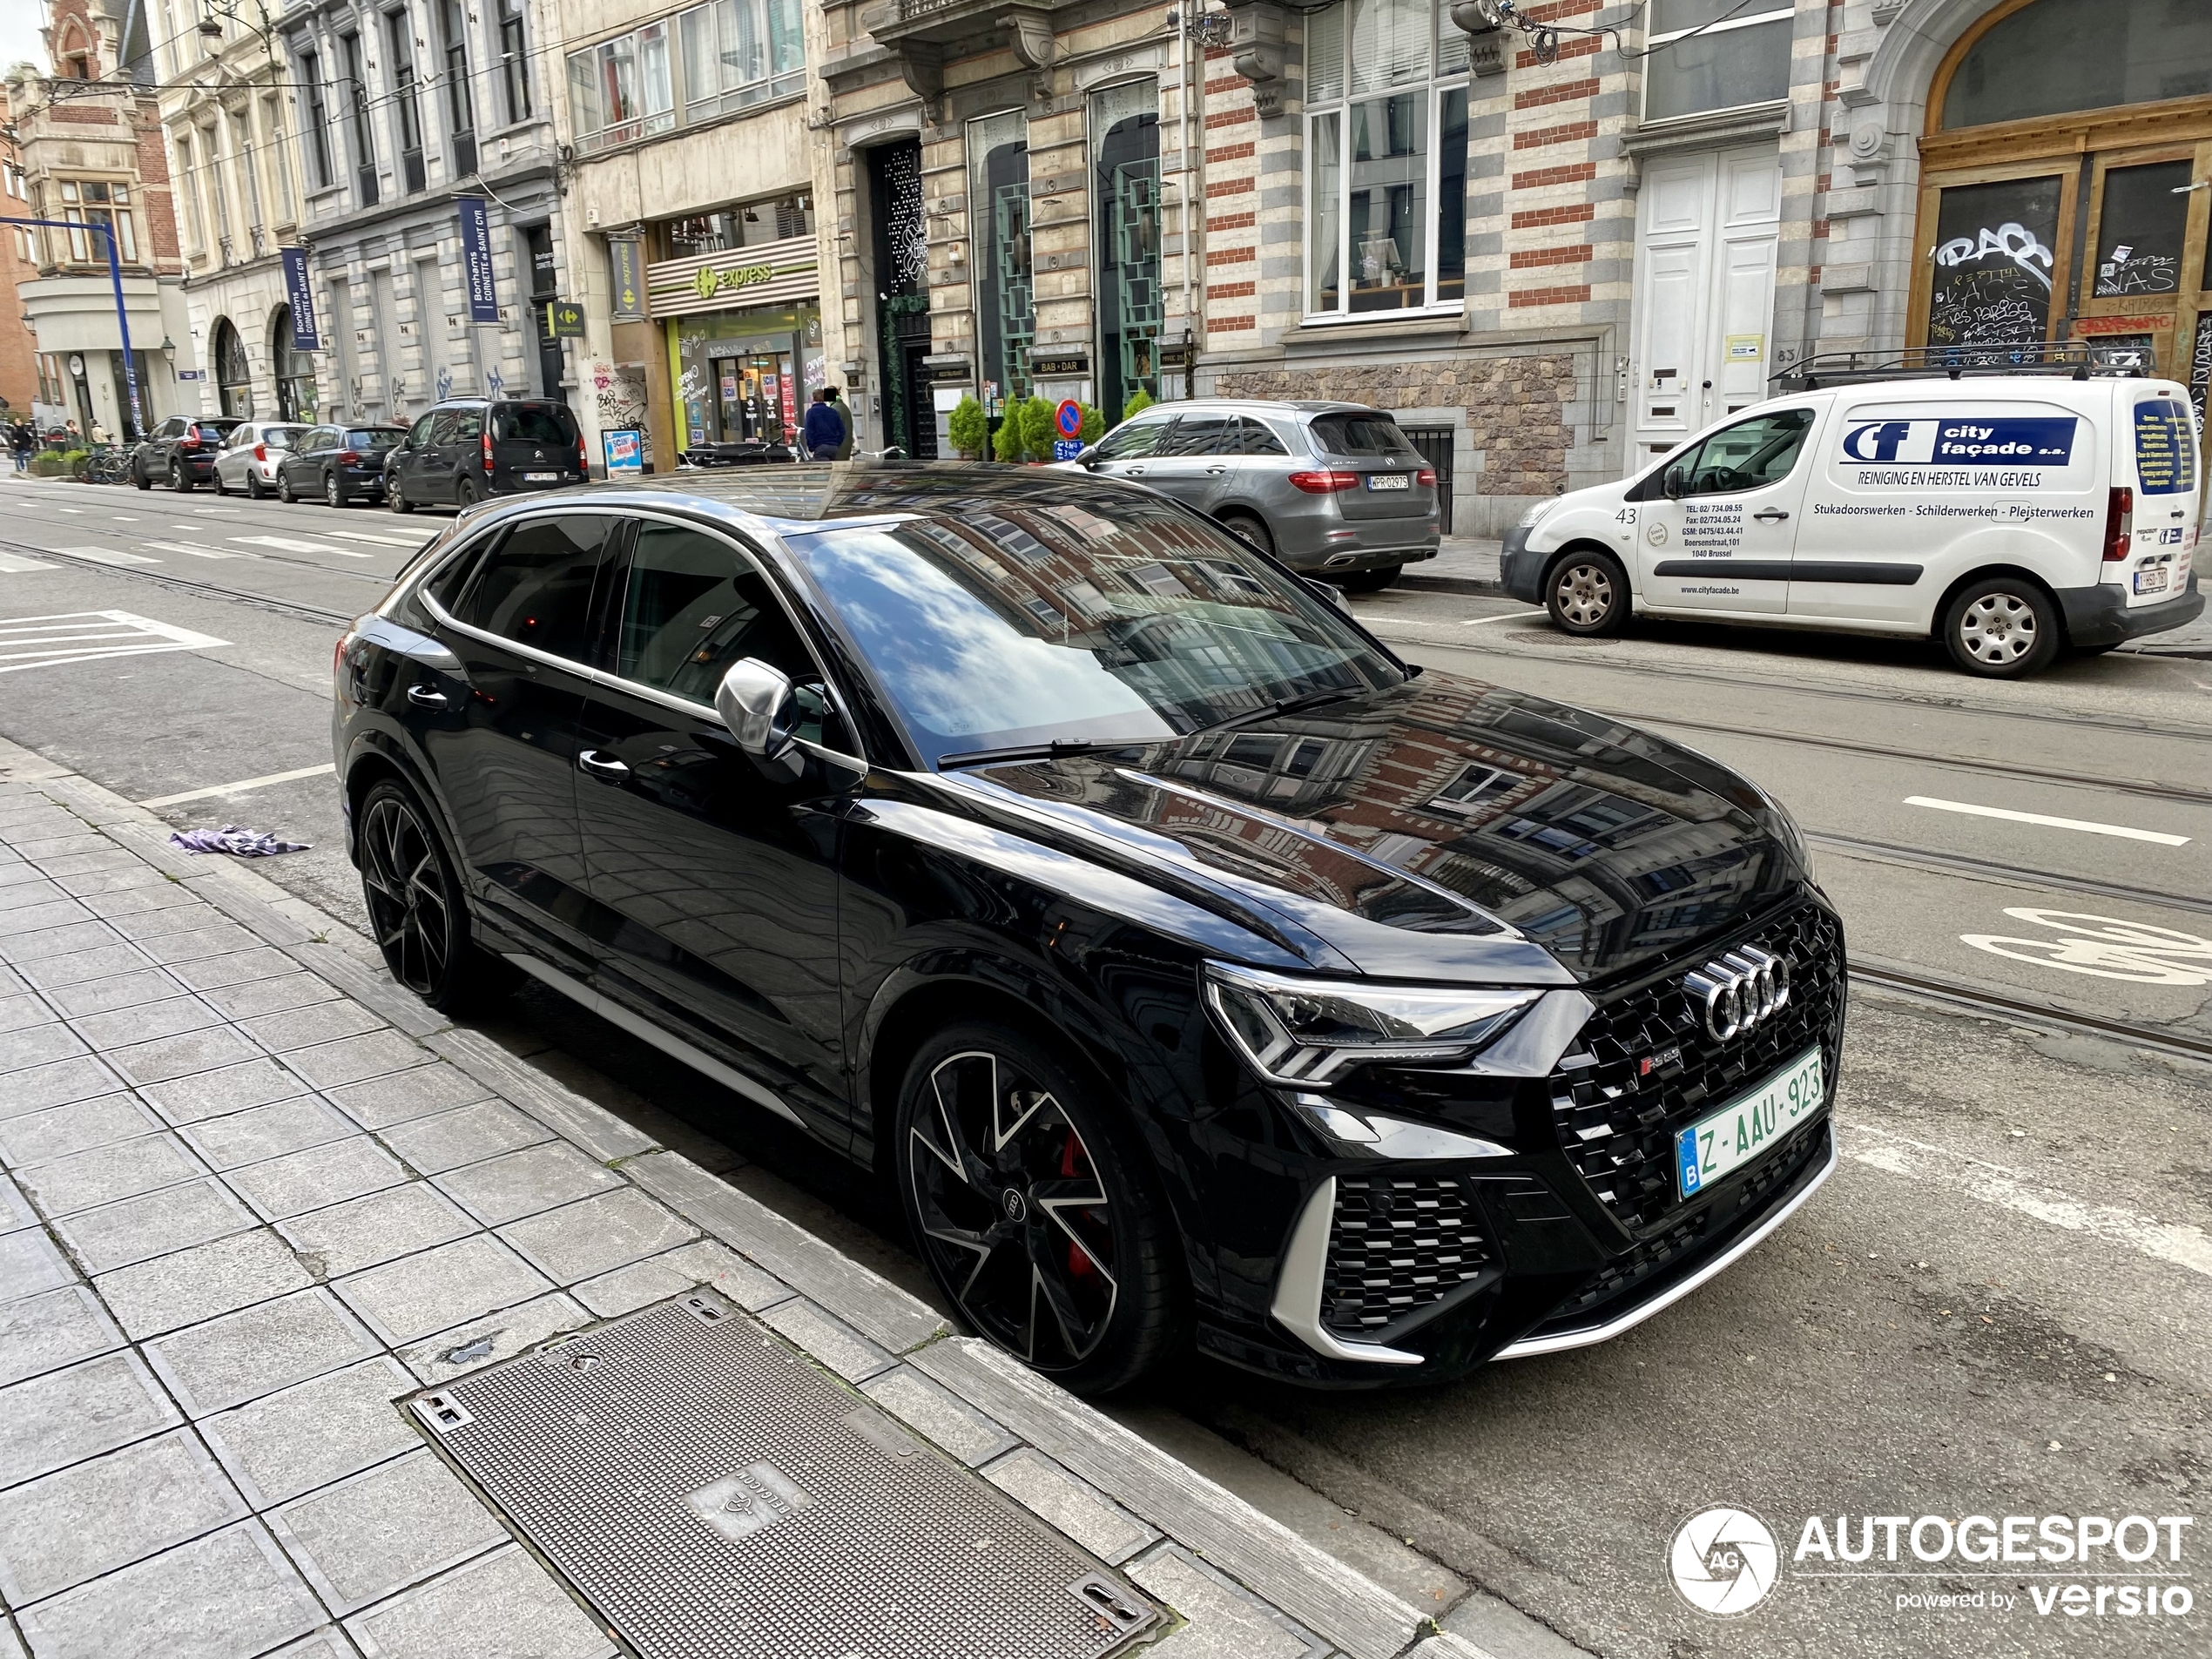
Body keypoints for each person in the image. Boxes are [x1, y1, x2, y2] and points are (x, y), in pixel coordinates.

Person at [801, 388, 843, 462]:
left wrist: (811, 447)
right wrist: (837, 442)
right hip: (833, 447)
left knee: (822, 469)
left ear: (813, 398)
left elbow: (809, 431)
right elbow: (842, 430)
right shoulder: (833, 412)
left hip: (820, 446)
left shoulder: (811, 412)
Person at [828, 386, 855, 461]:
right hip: (845, 446)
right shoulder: (842, 406)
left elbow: (833, 430)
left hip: (839, 448)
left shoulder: (835, 408)